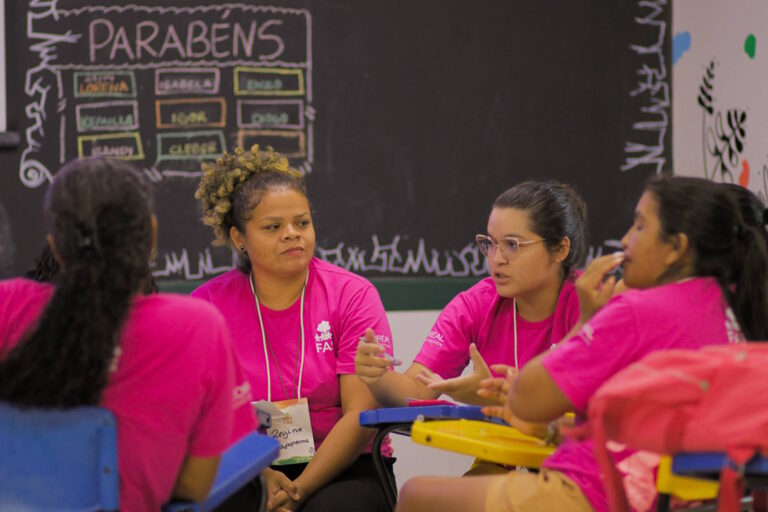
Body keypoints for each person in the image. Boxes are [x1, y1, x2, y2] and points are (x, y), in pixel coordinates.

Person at [395, 175, 768, 512]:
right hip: (681, 494)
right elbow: (640, 417)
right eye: (490, 244)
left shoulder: (629, 307)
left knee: (415, 495)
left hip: (602, 491)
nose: (625, 240)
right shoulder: (731, 309)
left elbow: (528, 399)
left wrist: (587, 321)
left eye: (640, 226)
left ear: (676, 248)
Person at [0, 158, 255, 511]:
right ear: (151, 234)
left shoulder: (7, 306)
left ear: (55, 247)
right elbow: (196, 485)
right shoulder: (198, 327)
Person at [191, 145, 395, 512]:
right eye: (273, 227)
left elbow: (360, 417)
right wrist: (260, 475)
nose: (291, 234)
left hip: (345, 466)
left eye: (302, 223)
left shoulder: (352, 295)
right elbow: (201, 417)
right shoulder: (206, 306)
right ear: (239, 238)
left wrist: (297, 491)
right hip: (243, 466)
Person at [355, 181, 587, 410]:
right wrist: (378, 377)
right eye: (491, 243)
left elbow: (589, 406)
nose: (496, 259)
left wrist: (494, 398)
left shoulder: (590, 302)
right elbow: (417, 390)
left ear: (559, 249)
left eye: (512, 245)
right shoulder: (476, 304)